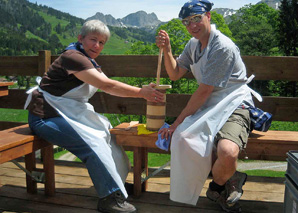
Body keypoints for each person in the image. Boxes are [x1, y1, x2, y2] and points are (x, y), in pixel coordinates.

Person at [24, 19, 164, 213]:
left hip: (67, 113)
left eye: (102, 42)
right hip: (46, 117)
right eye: (93, 39)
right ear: (80, 38)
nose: (97, 45)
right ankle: (108, 199)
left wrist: (142, 91)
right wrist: (142, 92)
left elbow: (107, 84)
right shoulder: (73, 57)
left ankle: (117, 187)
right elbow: (107, 86)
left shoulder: (88, 60)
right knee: (92, 143)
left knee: (107, 134)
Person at [156, 0, 261, 212]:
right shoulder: (193, 46)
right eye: (187, 22)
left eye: (196, 18)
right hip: (209, 106)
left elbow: (204, 91)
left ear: (208, 16)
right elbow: (175, 74)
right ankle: (232, 180)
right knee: (183, 139)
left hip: (233, 104)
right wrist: (167, 49)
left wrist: (177, 122)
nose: (192, 25)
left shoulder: (222, 46)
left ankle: (217, 186)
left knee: (228, 152)